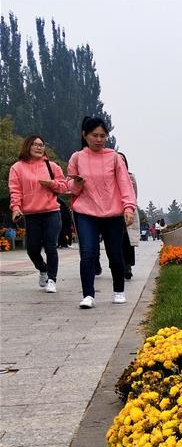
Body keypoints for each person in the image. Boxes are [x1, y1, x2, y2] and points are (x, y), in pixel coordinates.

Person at [68, 117, 137, 308]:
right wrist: (76, 184)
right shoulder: (77, 158)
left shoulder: (114, 157)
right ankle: (88, 295)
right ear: (85, 135)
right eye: (94, 135)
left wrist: (128, 207)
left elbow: (125, 184)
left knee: (115, 253)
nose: (99, 139)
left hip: (112, 214)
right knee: (88, 253)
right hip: (86, 212)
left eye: (102, 136)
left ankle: (118, 291)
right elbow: (70, 186)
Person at [8, 134, 70, 293]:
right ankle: (43, 269)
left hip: (52, 212)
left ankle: (52, 279)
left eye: (42, 145)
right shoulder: (17, 168)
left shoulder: (52, 166)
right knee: (32, 249)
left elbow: (64, 187)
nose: (39, 147)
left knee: (51, 246)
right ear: (28, 146)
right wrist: (16, 207)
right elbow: (15, 190)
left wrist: (52, 184)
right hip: (31, 214)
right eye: (35, 144)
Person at [117, 153, 139, 280]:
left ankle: (127, 266)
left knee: (127, 240)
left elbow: (134, 195)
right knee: (116, 240)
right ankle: (118, 265)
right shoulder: (109, 177)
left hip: (127, 212)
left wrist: (130, 207)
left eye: (122, 160)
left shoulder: (131, 177)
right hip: (113, 212)